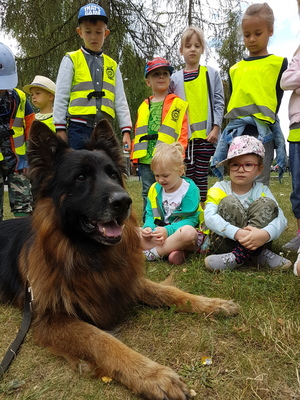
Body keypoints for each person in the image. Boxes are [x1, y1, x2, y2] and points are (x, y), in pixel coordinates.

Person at [210, 2, 288, 186]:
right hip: (237, 132)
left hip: (263, 132)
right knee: (238, 178)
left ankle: (260, 213)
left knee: (260, 179)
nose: (252, 39)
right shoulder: (235, 69)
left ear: (270, 30)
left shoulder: (278, 64)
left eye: (257, 33)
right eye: (247, 35)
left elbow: (278, 96)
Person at [204, 135, 291, 272]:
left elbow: (281, 218)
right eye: (235, 164)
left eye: (248, 165)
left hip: (259, 241)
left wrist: (266, 234)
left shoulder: (262, 190)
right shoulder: (219, 188)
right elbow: (209, 217)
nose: (241, 169)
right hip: (226, 242)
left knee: (267, 203)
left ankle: (240, 255)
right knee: (229, 202)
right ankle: (255, 254)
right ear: (228, 168)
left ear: (259, 169)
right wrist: (237, 232)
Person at [53, 3, 132, 150]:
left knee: (103, 170)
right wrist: (60, 128)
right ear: (80, 32)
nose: (93, 37)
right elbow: (61, 95)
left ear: (106, 33)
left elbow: (120, 100)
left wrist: (126, 130)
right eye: (88, 32)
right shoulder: (71, 59)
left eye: (98, 32)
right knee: (79, 169)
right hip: (78, 128)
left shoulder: (112, 65)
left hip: (104, 130)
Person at [169, 26, 224, 208]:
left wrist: (216, 127)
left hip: (206, 138)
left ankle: (202, 212)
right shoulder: (175, 79)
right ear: (181, 50)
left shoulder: (211, 73)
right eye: (188, 46)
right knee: (184, 176)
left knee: (200, 177)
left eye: (197, 46)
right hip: (184, 141)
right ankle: (186, 211)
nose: (192, 49)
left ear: (202, 49)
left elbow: (218, 102)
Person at [132, 57, 188, 217]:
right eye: (156, 74)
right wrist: (134, 158)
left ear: (170, 79)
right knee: (148, 192)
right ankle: (150, 221)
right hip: (146, 158)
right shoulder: (143, 105)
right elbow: (138, 132)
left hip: (168, 159)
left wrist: (179, 155)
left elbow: (182, 132)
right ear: (148, 81)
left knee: (170, 190)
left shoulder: (177, 104)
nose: (161, 77)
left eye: (165, 73)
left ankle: (170, 221)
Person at [140, 142, 204, 265]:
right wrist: (148, 227)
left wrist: (168, 231)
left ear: (180, 171)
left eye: (165, 175)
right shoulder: (155, 189)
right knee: (131, 232)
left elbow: (192, 219)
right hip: (161, 233)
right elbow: (150, 214)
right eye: (156, 175)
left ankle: (154, 253)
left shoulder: (189, 190)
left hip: (184, 234)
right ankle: (174, 250)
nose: (160, 180)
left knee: (188, 233)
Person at [0, 42, 35, 220]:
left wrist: (30, 157)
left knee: (23, 204)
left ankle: (24, 243)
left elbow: (31, 126)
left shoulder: (19, 98)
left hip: (18, 162)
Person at [280, 46, 300, 277]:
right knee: (298, 188)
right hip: (297, 130)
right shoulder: (297, 57)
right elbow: (286, 80)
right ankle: (299, 234)